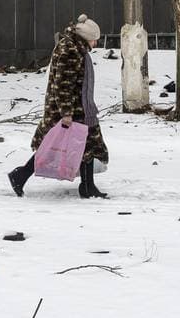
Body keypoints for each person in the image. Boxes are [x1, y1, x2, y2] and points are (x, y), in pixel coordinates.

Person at [9, 14, 109, 199]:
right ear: (86, 37)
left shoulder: (75, 48)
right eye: (95, 40)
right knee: (51, 146)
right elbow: (62, 83)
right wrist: (66, 113)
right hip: (68, 110)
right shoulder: (69, 50)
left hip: (80, 108)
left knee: (86, 145)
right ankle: (20, 175)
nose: (96, 44)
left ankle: (87, 186)